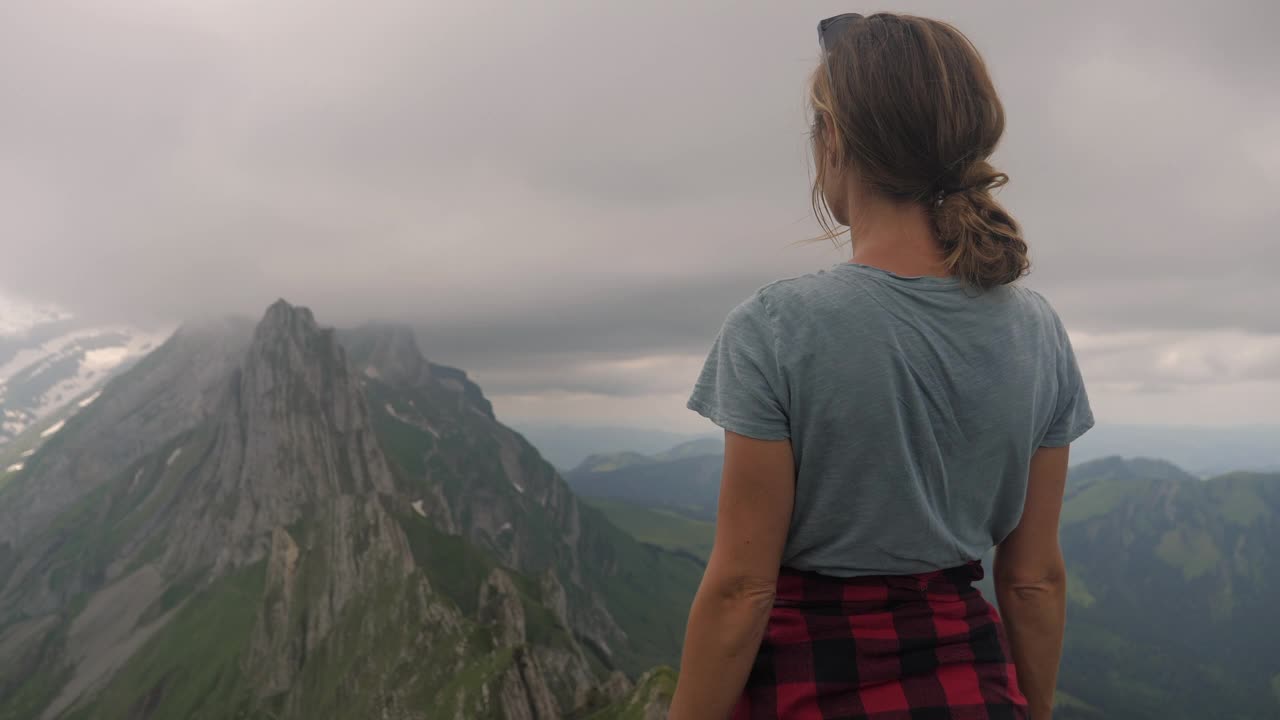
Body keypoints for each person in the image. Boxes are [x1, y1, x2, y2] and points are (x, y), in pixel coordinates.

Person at [669, 12, 1093, 720]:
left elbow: (743, 589)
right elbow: (1032, 582)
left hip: (806, 681)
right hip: (972, 686)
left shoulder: (775, 328)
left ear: (832, 138)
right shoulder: (1037, 329)